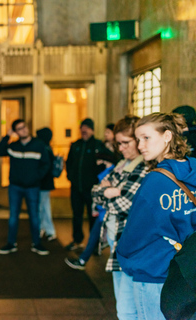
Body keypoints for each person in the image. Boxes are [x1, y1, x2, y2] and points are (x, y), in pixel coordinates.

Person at [65, 115, 149, 319]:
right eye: (118, 143)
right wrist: (110, 191)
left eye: (125, 143)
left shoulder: (145, 167)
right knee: (122, 303)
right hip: (115, 237)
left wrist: (110, 192)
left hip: (129, 241)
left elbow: (124, 204)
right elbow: (97, 192)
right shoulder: (123, 164)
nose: (120, 148)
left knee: (129, 308)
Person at [116, 112, 196, 320]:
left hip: (153, 269)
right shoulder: (193, 169)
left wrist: (124, 259)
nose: (141, 145)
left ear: (167, 136)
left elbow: (135, 233)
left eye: (146, 138)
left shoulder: (155, 180)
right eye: (138, 139)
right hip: (186, 270)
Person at [0, 119, 51, 255]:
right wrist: (7, 136)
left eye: (24, 127)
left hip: (33, 187)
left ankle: (37, 244)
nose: (24, 130)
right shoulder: (13, 146)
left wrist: (36, 177)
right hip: (15, 187)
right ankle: (11, 244)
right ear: (16, 132)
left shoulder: (39, 145)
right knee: (13, 216)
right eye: (19, 129)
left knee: (34, 216)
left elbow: (46, 163)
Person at [65, 118, 112, 251]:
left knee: (93, 218)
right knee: (76, 215)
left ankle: (94, 245)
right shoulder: (75, 145)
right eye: (82, 128)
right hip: (76, 188)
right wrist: (70, 177)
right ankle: (77, 240)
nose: (84, 130)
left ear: (92, 130)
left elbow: (109, 161)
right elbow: (69, 163)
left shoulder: (98, 145)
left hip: (92, 189)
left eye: (87, 128)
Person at [35, 127, 57, 241]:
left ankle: (47, 230)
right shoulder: (48, 147)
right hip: (46, 183)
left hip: (42, 183)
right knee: (44, 206)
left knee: (42, 207)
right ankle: (45, 229)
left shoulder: (43, 148)